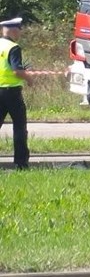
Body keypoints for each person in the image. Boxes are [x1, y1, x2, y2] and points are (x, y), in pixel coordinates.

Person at [0, 17, 34, 169]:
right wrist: (29, 78)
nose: (20, 33)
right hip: (12, 93)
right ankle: (21, 163)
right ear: (14, 30)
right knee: (20, 128)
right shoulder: (13, 47)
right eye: (19, 29)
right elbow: (16, 71)